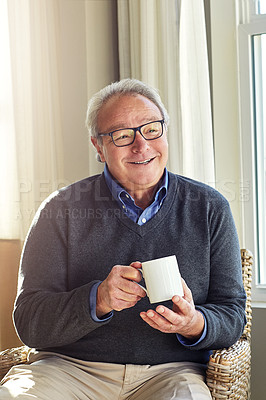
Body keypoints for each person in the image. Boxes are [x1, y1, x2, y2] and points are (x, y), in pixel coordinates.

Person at [0, 78, 246, 400]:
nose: (141, 145)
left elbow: (232, 314)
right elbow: (30, 322)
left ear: (165, 133)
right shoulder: (59, 210)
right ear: (98, 147)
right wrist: (97, 299)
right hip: (69, 369)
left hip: (171, 372)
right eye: (122, 135)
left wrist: (193, 323)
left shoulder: (210, 207)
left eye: (151, 129)